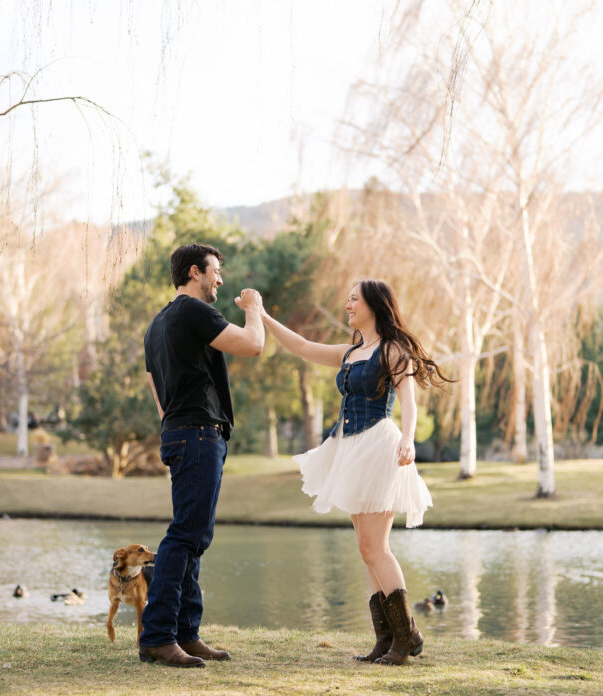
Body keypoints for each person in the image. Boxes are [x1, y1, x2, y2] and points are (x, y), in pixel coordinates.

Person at [237, 278, 450, 667]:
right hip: (350, 449)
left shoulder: (393, 350)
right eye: (348, 299)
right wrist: (262, 315)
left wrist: (408, 438)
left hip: (380, 447)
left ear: (374, 305)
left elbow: (408, 399)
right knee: (366, 550)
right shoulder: (350, 352)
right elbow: (303, 347)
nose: (348, 305)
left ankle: (406, 638)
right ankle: (386, 639)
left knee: (376, 548)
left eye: (354, 299)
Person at [139, 242, 264, 668]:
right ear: (195, 272)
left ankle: (186, 633)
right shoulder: (194, 310)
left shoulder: (156, 324)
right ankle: (158, 636)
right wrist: (254, 308)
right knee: (185, 536)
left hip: (179, 432)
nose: (220, 280)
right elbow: (253, 345)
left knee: (193, 536)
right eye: (215, 272)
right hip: (197, 434)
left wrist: (175, 426)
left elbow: (156, 389)